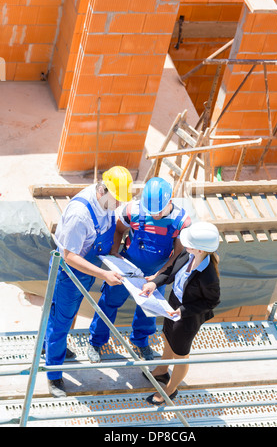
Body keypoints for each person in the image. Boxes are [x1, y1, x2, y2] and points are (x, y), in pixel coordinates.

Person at [45, 166, 133, 398]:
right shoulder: (80, 215)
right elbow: (70, 256)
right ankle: (53, 374)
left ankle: (50, 347)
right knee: (61, 319)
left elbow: (111, 226)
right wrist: (104, 274)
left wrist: (114, 254)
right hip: (70, 272)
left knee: (70, 313)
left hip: (88, 267)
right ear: (103, 191)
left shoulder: (106, 202)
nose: (119, 205)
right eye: (117, 200)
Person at [87, 177, 191, 362]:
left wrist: (158, 278)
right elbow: (119, 231)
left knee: (148, 311)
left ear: (170, 201)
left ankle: (141, 341)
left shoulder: (181, 221)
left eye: (158, 211)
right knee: (108, 303)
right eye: (150, 211)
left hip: (156, 273)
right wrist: (114, 253)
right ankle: (96, 340)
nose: (154, 215)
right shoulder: (132, 211)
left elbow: (177, 255)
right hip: (126, 269)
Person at [140, 221, 221, 405]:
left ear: (200, 250)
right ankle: (161, 370)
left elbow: (212, 301)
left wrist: (182, 311)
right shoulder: (188, 253)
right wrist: (155, 282)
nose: (184, 243)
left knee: (181, 354)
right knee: (167, 335)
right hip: (174, 303)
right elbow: (171, 270)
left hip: (188, 316)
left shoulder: (208, 276)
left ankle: (170, 390)